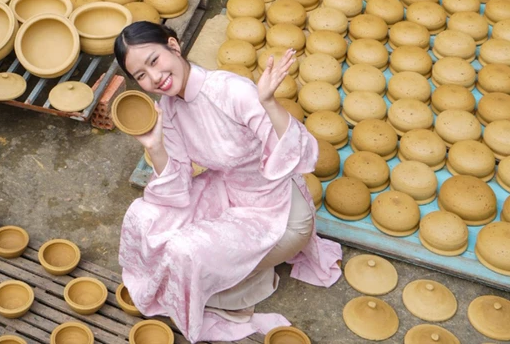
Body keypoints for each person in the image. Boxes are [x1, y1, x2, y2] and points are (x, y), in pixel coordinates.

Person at [112, 22, 342, 342]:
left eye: (154, 61)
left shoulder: (230, 90)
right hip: (227, 192)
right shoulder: (168, 111)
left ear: (174, 47)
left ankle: (226, 283)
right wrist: (155, 148)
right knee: (143, 214)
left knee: (184, 250)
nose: (154, 78)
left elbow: (301, 155)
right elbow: (175, 186)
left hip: (279, 212)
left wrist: (269, 103)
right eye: (141, 76)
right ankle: (195, 278)